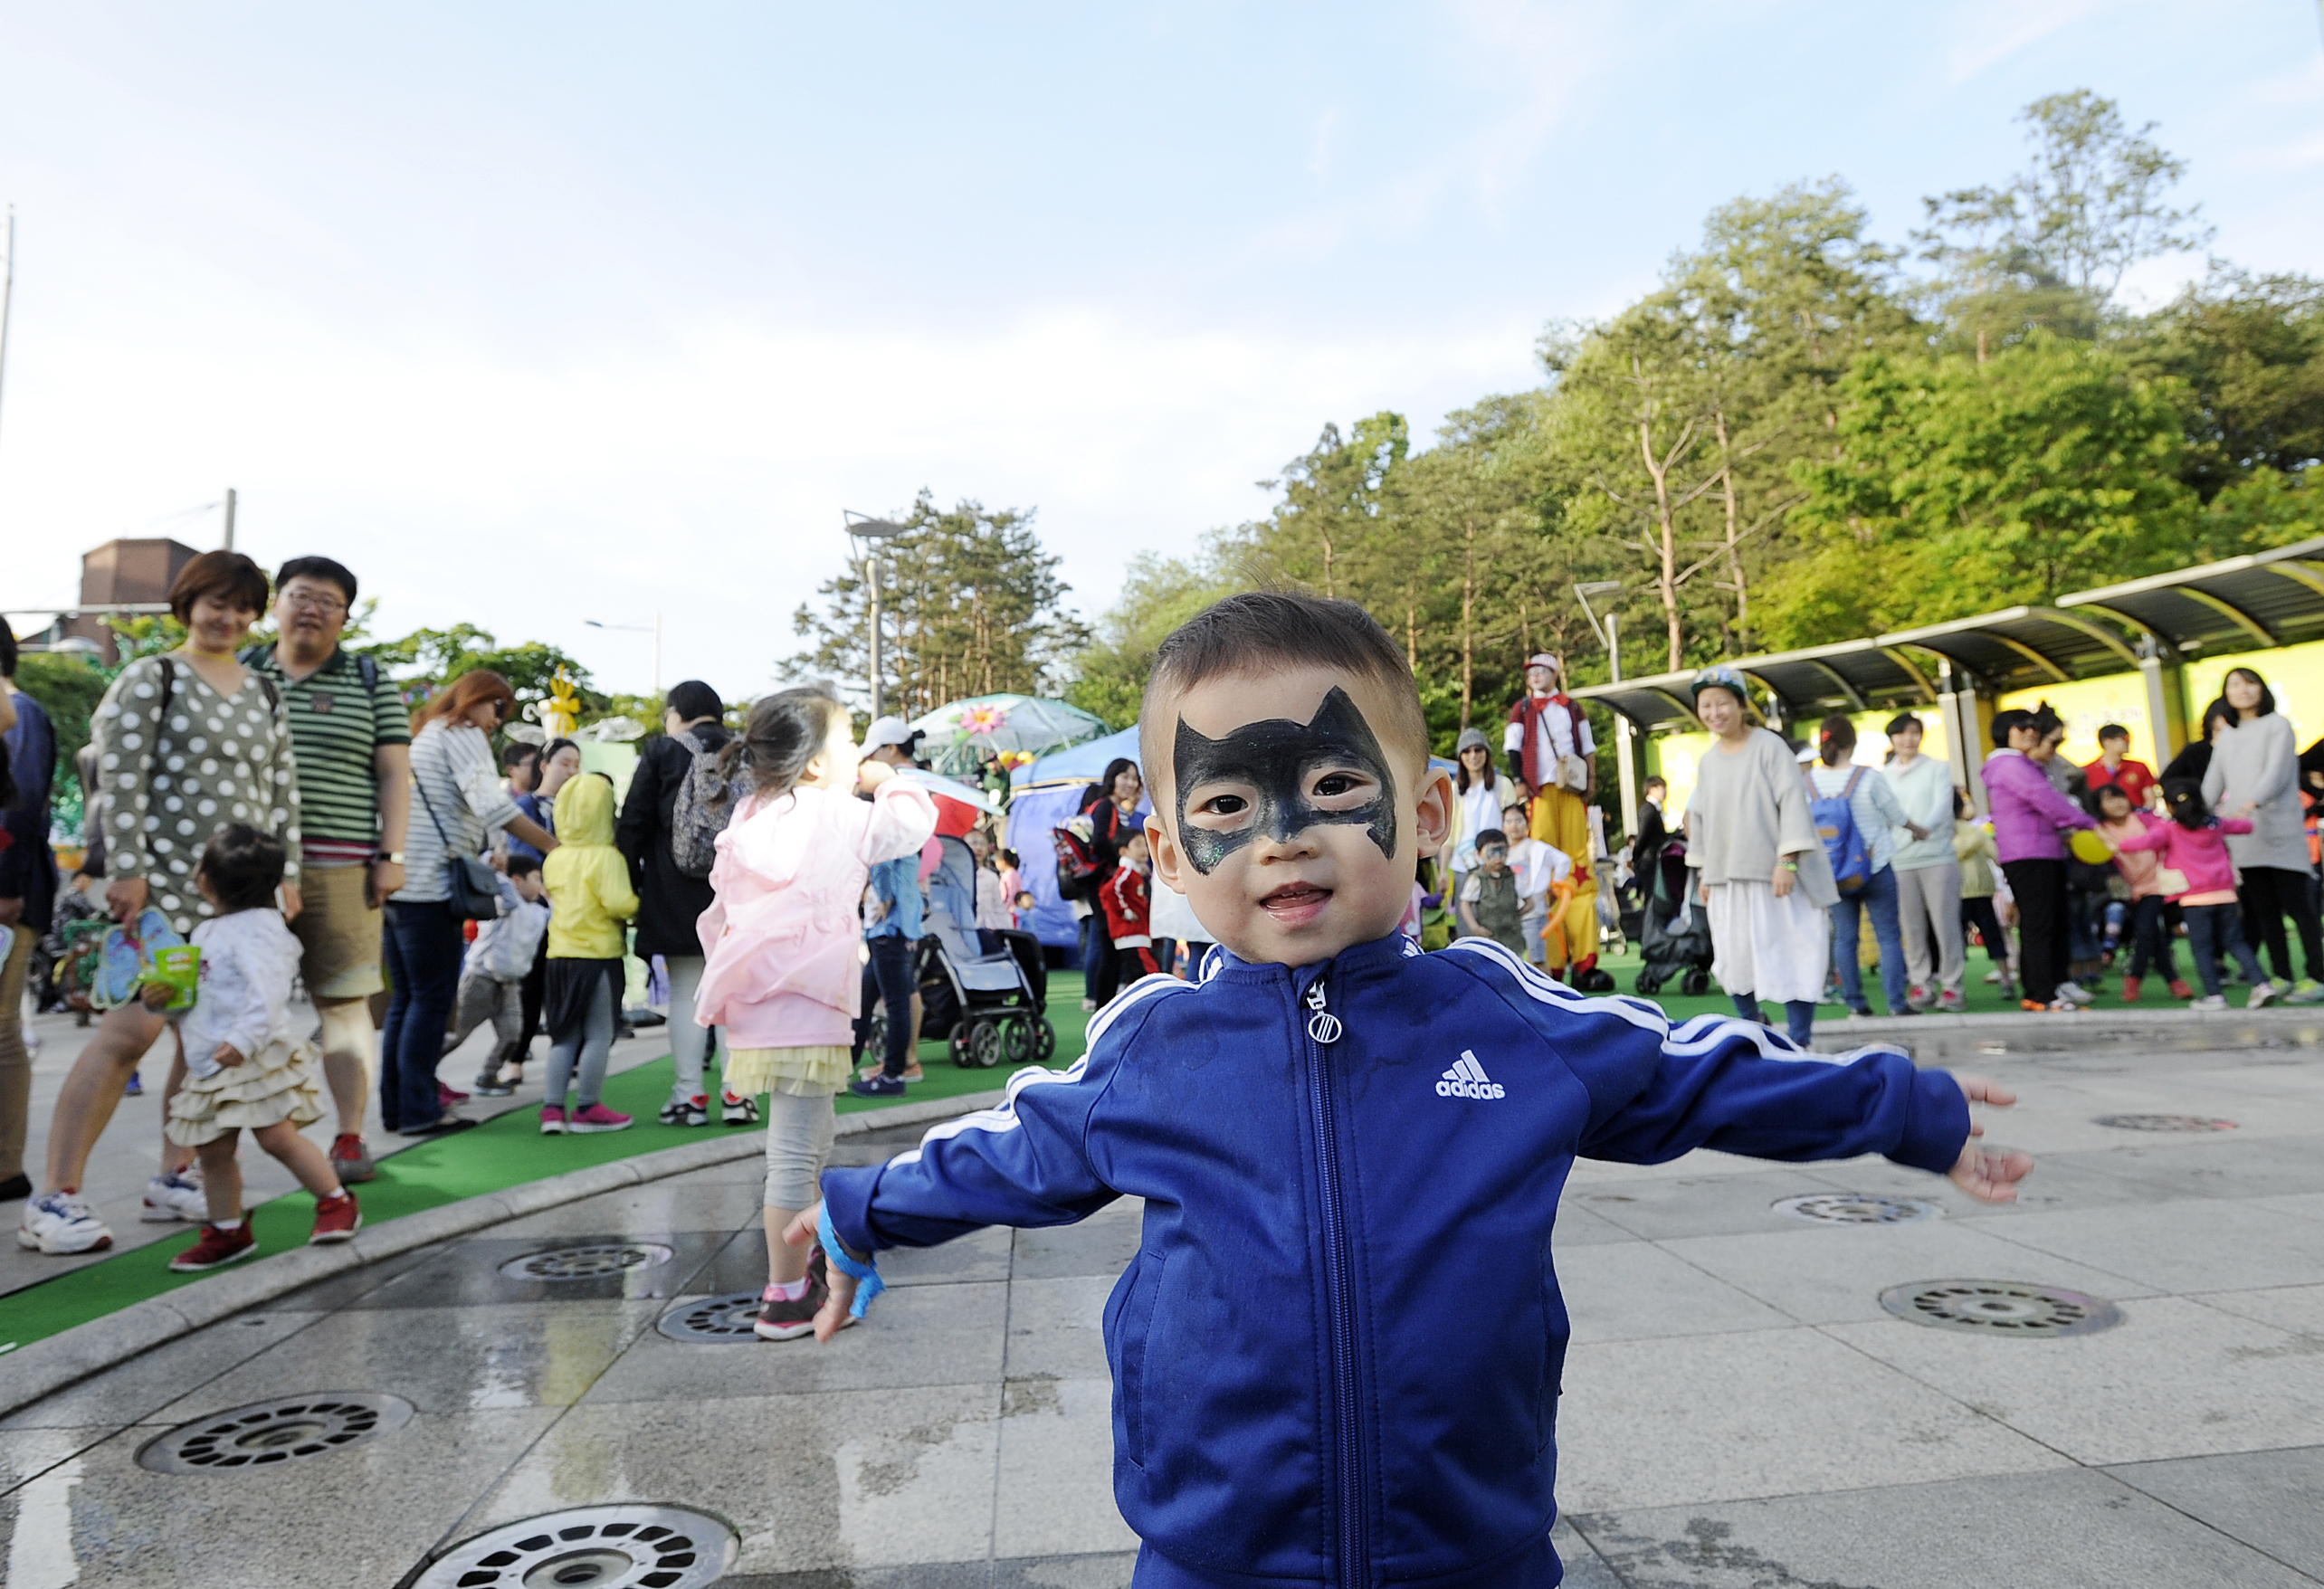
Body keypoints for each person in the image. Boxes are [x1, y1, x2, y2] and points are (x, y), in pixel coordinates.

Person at [779, 591, 2027, 1587]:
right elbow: (1009, 1151)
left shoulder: (1501, 1019)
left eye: (1332, 788)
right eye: (1225, 802)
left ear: (1426, 812)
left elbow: (1701, 1077)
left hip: (1470, 1544)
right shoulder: (1156, 1047)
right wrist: (860, 1209)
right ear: (1168, 850)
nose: (1282, 834)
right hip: (1215, 1554)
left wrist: (1907, 1113)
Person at [19, 551, 307, 1258]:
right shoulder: (154, 676)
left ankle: (174, 1175)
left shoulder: (264, 691)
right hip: (163, 891)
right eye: (216, 602)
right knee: (133, 1032)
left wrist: (287, 874)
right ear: (186, 603)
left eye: (243, 607)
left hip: (235, 901)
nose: (229, 618)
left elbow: (281, 790)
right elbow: (120, 779)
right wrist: (128, 870)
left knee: (202, 1040)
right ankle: (56, 1196)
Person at [687, 687, 936, 1339]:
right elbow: (910, 828)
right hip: (810, 999)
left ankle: (812, 1260)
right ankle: (786, 1294)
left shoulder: (750, 813)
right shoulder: (835, 813)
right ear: (819, 763)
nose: (859, 752)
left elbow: (719, 911)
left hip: (759, 1001)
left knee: (811, 1133)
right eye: (850, 740)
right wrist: (894, 779)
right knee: (796, 1151)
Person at [243, 556, 411, 1190]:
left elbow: (395, 772)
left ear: (345, 616)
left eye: (328, 601)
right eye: (299, 595)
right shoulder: (242, 672)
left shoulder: (371, 679)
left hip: (344, 866)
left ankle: (349, 1134)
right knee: (231, 1000)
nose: (311, 608)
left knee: (344, 1005)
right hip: (248, 871)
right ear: (277, 603)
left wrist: (390, 857)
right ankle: (216, 1143)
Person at [159, 825, 361, 1270]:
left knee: (276, 1136)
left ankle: (335, 1201)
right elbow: (201, 993)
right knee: (212, 1150)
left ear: (205, 881)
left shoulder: (261, 931)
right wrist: (166, 999)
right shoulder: (209, 931)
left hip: (249, 1055)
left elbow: (267, 993)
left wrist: (242, 1040)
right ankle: (228, 1230)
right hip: (211, 1059)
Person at [384, 671, 556, 1138]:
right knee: (430, 1000)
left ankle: (399, 1106)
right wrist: (556, 848)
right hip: (432, 885)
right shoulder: (460, 732)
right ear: (476, 700)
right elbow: (494, 806)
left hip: (401, 882)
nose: (497, 722)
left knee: (406, 1000)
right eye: (498, 708)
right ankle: (420, 1110)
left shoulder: (426, 733)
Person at [1681, 667, 1835, 1044]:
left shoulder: (1769, 746)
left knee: (1797, 951)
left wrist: (1787, 860)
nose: (1715, 712)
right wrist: (1704, 873)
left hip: (1777, 876)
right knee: (1734, 961)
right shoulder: (1708, 760)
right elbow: (1699, 819)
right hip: (1726, 879)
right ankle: (1752, 1028)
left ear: (1740, 705)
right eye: (1706, 705)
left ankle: (1800, 1038)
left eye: (1722, 703)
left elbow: (1792, 802)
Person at [615, 680, 743, 1126]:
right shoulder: (746, 751)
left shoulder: (663, 751)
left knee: (687, 992)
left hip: (675, 893)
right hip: (738, 893)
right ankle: (737, 1094)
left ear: (676, 712)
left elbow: (633, 821)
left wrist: (631, 886)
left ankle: (689, 1096)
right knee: (732, 994)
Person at [2205, 667, 2324, 1003]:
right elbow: (2214, 779)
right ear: (2226, 694)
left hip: (2279, 829)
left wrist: (2250, 803)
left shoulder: (2278, 725)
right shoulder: (2228, 735)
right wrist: (2196, 814)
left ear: (2261, 689)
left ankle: (2317, 975)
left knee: (2299, 906)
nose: (2242, 690)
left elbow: (2278, 771)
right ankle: (2282, 975)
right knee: (2264, 909)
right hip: (2244, 835)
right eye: (2234, 685)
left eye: (2249, 683)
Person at [2118, 781, 2276, 1011]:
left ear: (2170, 806)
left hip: (2194, 899)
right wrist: (2244, 812)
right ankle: (2262, 984)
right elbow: (2245, 827)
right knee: (2236, 942)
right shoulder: (2215, 824)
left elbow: (2143, 843)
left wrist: (2116, 844)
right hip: (2225, 894)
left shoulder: (2169, 828)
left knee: (2202, 948)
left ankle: (2215, 995)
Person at [1982, 704, 2099, 1013]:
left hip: (2043, 851)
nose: (2030, 733)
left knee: (2054, 922)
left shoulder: (2021, 764)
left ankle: (2051, 987)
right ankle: (2040, 993)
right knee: (2039, 924)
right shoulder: (2007, 765)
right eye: (2022, 727)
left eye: (2033, 727)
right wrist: (2087, 822)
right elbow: (2044, 799)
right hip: (2027, 853)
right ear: (2004, 734)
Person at [538, 770, 636, 1135]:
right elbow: (618, 902)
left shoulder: (555, 858)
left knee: (564, 1035)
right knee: (599, 1034)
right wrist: (643, 907)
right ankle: (587, 1107)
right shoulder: (606, 858)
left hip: (559, 956)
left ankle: (551, 1110)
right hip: (598, 957)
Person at [1806, 716, 1922, 1019]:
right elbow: (1896, 814)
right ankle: (1897, 1003)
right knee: (1888, 936)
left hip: (1834, 872)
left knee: (1846, 937)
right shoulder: (1868, 777)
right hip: (1875, 866)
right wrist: (1917, 829)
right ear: (1852, 742)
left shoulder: (1809, 782)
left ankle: (1856, 1004)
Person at [0, 620, 59, 1202]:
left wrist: (8, 886)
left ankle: (6, 1167)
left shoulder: (20, 715)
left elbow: (18, 807)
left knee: (2, 1030)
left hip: (7, 895)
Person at [1504, 653, 1601, 985]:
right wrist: (1519, 782)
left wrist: (1591, 781)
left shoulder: (1573, 707)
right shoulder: (1523, 708)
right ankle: (1550, 962)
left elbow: (1588, 747)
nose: (1535, 676)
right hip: (1540, 793)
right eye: (1531, 671)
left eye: (1542, 671)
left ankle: (1586, 959)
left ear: (1555, 673)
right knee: (1541, 870)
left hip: (1571, 790)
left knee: (1579, 869)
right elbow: (1513, 748)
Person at [1881, 713, 1966, 1013]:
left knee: (1946, 924)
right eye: (1902, 733)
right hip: (1900, 860)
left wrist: (1922, 831)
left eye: (1915, 732)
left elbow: (1943, 807)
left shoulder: (1937, 768)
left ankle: (1953, 986)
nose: (1908, 739)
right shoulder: (1884, 775)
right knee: (1911, 926)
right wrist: (1902, 839)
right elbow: (1883, 816)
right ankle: (1921, 983)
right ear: (1891, 739)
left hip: (1938, 856)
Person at [445, 856, 550, 1091]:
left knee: (513, 1034)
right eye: (535, 879)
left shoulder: (536, 912)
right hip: (481, 978)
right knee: (457, 1034)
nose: (540, 885)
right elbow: (500, 891)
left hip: (510, 982)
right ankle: (420, 1075)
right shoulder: (503, 903)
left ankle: (489, 1075)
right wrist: (496, 869)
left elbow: (552, 913)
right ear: (516, 881)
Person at [2094, 783, 2188, 1001]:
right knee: (2152, 935)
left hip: (2157, 885)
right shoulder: (2099, 830)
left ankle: (2134, 980)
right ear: (2099, 806)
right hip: (2126, 892)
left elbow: (2165, 836)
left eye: (2120, 797)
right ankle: (2174, 981)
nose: (2118, 803)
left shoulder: (2145, 819)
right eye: (2109, 799)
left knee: (2145, 930)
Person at [1079, 756, 1146, 1011]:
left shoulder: (1116, 808)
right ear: (1112, 778)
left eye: (1134, 777)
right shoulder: (1105, 806)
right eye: (1125, 776)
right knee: (1109, 946)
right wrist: (1123, 856)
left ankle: (1106, 1005)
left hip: (1106, 884)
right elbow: (1099, 842)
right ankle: (1103, 1006)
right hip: (1104, 885)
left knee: (1112, 946)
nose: (1130, 782)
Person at [1954, 791, 2014, 999]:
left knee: (1958, 942)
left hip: (1970, 893)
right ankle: (2005, 979)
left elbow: (1996, 855)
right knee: (1990, 937)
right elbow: (1959, 850)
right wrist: (1978, 837)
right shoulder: (1975, 832)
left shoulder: (1969, 831)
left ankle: (1956, 985)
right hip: (1970, 892)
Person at [1445, 726, 1504, 928]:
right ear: (1460, 756)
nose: (1473, 756)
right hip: (1464, 866)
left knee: (1497, 926)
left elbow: (1513, 829)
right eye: (1467, 751)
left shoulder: (1502, 785)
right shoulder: (1455, 790)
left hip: (1497, 864)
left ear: (1486, 753)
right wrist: (1443, 870)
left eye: (1478, 750)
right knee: (1467, 926)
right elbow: (1450, 834)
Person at [1454, 828, 1528, 957]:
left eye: (1502, 851)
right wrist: (1475, 927)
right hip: (1487, 935)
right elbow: (1465, 904)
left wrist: (1515, 915)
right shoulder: (1477, 877)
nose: (1498, 857)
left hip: (1512, 937)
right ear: (1479, 853)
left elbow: (1530, 901)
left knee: (1513, 966)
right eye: (1492, 852)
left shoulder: (1513, 876)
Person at [1100, 831, 1164, 979]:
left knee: (1140, 973)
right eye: (1138, 845)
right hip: (1131, 932)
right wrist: (1126, 912)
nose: (1144, 850)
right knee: (1148, 973)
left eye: (1145, 845)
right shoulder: (1126, 872)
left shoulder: (1135, 872)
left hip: (1138, 931)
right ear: (1123, 851)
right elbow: (1107, 892)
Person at [2084, 723, 2157, 811]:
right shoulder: (2087, 771)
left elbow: (2150, 799)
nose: (2128, 742)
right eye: (2125, 738)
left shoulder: (2139, 767)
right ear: (2108, 741)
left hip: (2136, 820)